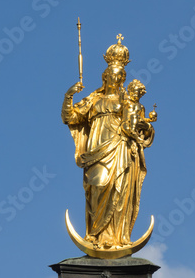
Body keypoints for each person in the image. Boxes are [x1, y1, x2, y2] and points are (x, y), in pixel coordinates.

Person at [61, 37, 155, 248]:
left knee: (119, 189)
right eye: (110, 75)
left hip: (120, 149)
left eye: (118, 76)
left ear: (122, 78)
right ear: (104, 77)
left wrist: (146, 127)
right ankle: (94, 233)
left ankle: (115, 238)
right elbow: (70, 117)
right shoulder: (93, 99)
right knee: (98, 185)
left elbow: (140, 126)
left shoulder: (127, 101)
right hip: (97, 151)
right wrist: (69, 95)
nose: (114, 79)